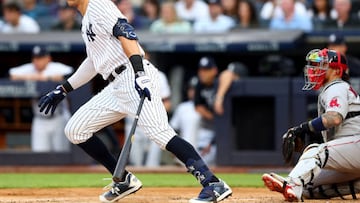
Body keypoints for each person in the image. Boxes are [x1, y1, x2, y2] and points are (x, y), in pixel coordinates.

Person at [37, 1, 232, 203]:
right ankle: (123, 180)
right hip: (115, 86)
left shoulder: (98, 4)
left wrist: (139, 73)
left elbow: (126, 32)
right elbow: (93, 62)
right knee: (75, 130)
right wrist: (63, 89)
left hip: (132, 75)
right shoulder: (86, 19)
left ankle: (213, 184)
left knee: (160, 134)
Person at [262, 48, 360, 201]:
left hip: (357, 146)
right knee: (307, 186)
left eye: (320, 65)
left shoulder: (337, 86)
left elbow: (334, 118)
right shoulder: (333, 89)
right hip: (351, 153)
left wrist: (303, 128)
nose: (314, 69)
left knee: (316, 152)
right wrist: (309, 131)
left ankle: (291, 183)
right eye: (313, 65)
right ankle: (295, 185)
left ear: (336, 70)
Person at [9, 45, 73, 152]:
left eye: (40, 58)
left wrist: (47, 78)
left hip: (59, 117)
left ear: (48, 58)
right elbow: (10, 74)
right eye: (35, 58)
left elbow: (72, 74)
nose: (36, 61)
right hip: (39, 120)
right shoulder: (30, 69)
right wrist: (34, 78)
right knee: (39, 154)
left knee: (62, 153)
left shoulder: (55, 67)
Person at [125, 69, 172, 167]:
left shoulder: (158, 75)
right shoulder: (125, 75)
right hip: (134, 126)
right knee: (135, 163)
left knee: (153, 163)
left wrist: (154, 113)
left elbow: (167, 103)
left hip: (153, 125)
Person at [194, 56, 219, 166]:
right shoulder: (199, 85)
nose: (202, 73)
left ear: (214, 70)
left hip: (225, 128)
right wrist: (214, 118)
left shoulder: (219, 83)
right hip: (209, 125)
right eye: (201, 70)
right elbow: (198, 106)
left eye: (206, 70)